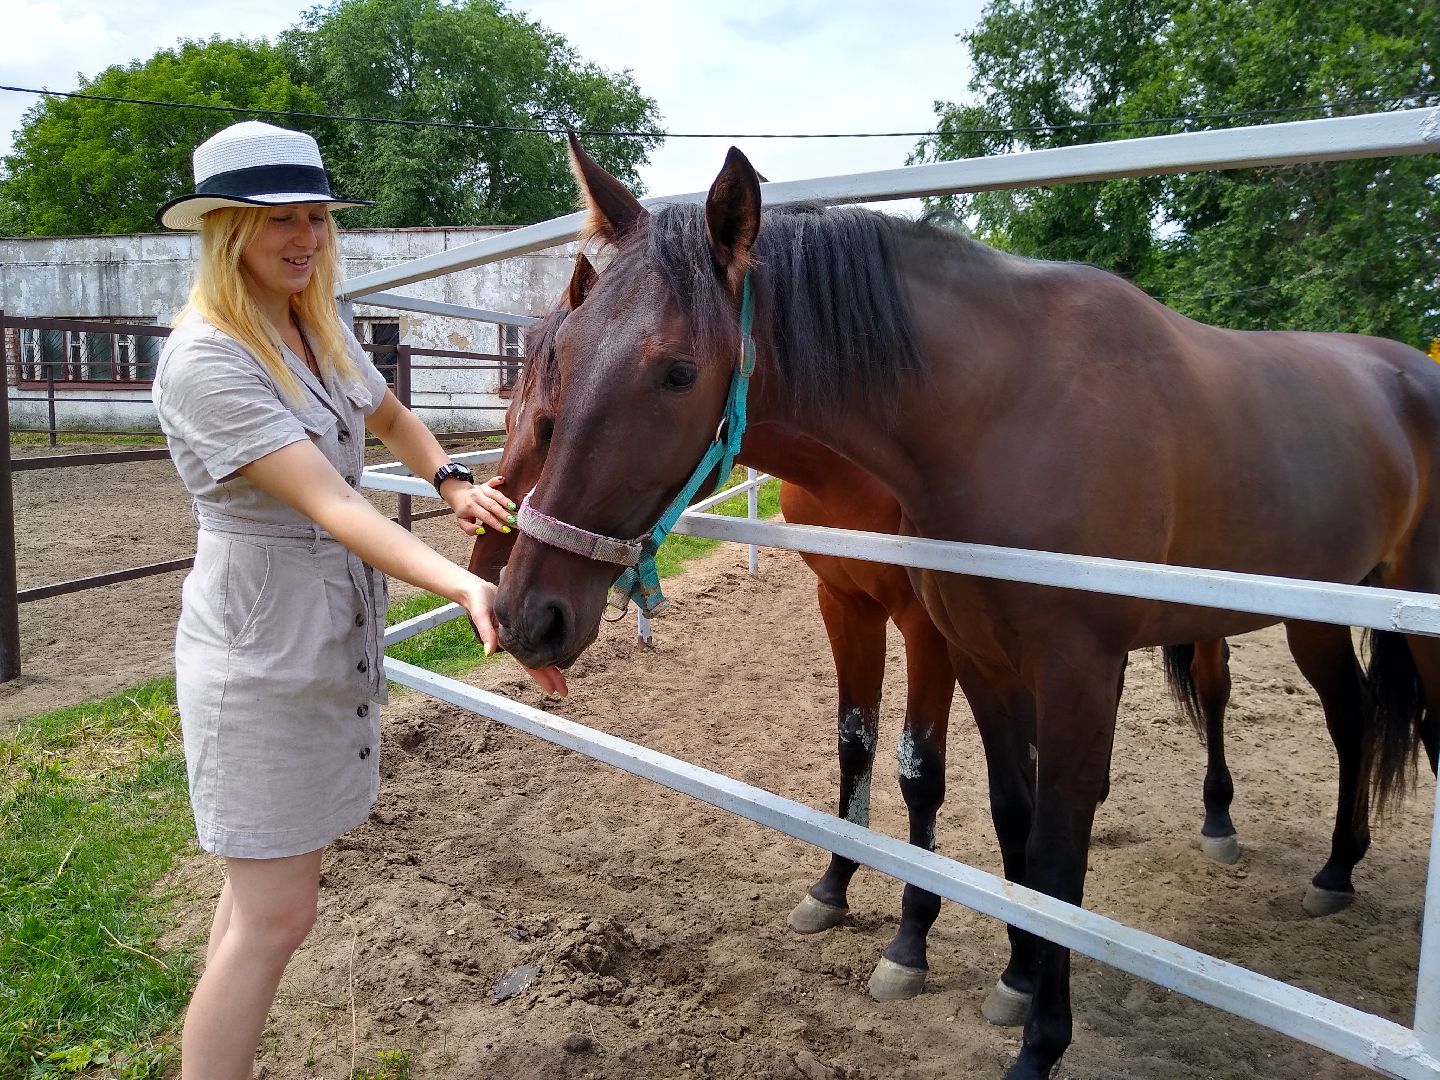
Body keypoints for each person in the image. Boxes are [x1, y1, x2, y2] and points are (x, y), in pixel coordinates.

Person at [153, 120, 565, 1080]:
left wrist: (453, 479)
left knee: (257, 900)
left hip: (316, 634)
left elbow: (385, 413)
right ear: (224, 231)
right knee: (277, 920)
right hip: (261, 653)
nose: (305, 237)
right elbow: (333, 500)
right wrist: (468, 577)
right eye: (279, 221)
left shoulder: (309, 322)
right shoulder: (212, 358)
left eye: (317, 219)